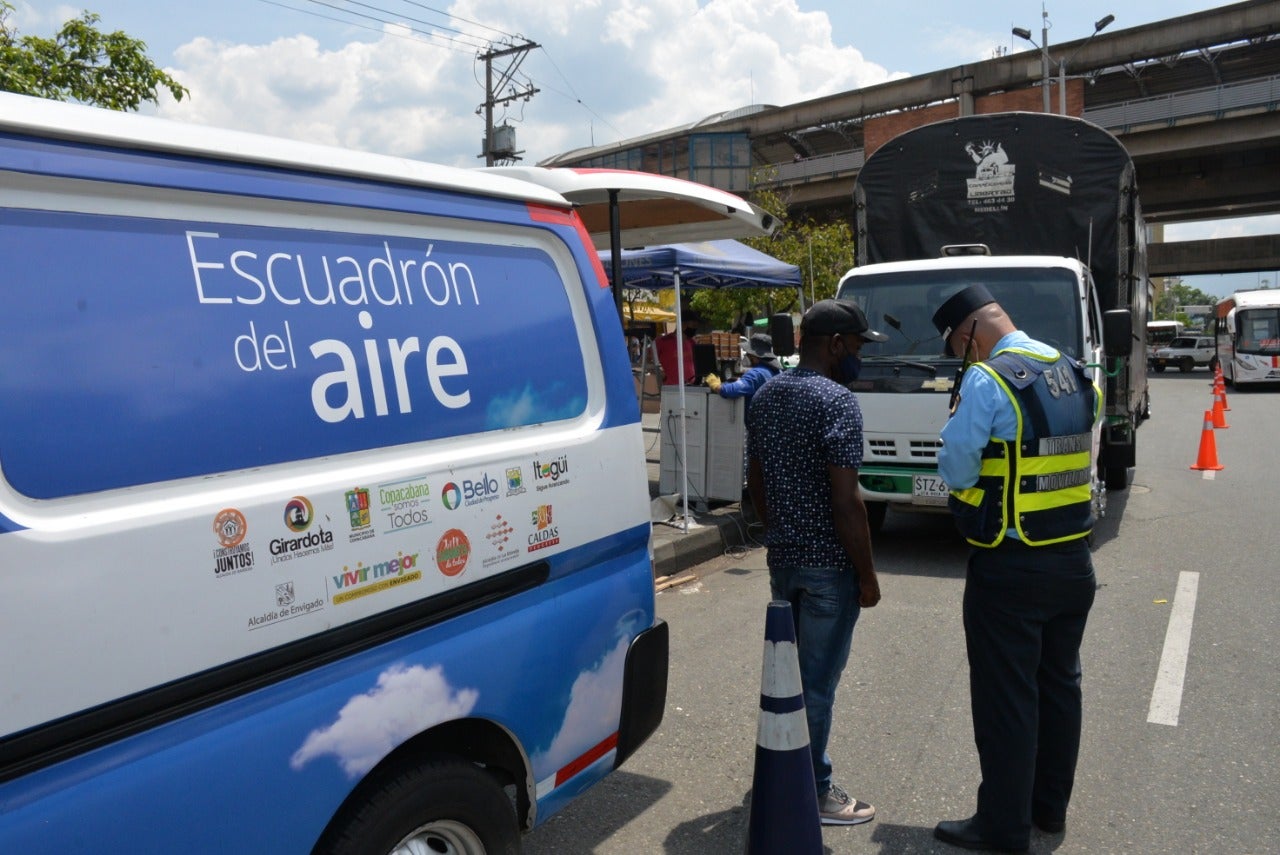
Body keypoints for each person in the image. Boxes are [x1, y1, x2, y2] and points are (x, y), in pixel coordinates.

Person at [930, 284, 1101, 853]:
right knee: (1059, 689)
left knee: (1007, 701)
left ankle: (1002, 829)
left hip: (1011, 565)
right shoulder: (1074, 370)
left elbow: (956, 468)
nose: (964, 361)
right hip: (1074, 558)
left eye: (960, 349)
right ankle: (1049, 813)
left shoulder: (990, 378)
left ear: (970, 333)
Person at [745, 299, 885, 826]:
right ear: (833, 344)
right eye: (856, 345)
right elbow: (847, 500)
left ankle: (782, 773)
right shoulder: (838, 402)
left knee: (787, 680)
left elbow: (755, 480)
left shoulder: (766, 395)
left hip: (784, 562)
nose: (858, 356)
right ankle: (814, 790)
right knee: (816, 684)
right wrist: (867, 575)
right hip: (829, 570)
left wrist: (775, 532)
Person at [704, 332, 781, 411]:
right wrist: (741, 381)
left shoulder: (755, 374)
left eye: (748, 353)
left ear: (754, 356)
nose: (746, 355)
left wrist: (717, 386)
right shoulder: (777, 371)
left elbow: (730, 390)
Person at [654, 310, 700, 385]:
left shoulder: (692, 342)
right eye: (693, 326)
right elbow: (647, 361)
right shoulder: (662, 341)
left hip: (692, 388)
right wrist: (660, 373)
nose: (695, 329)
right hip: (671, 389)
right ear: (683, 324)